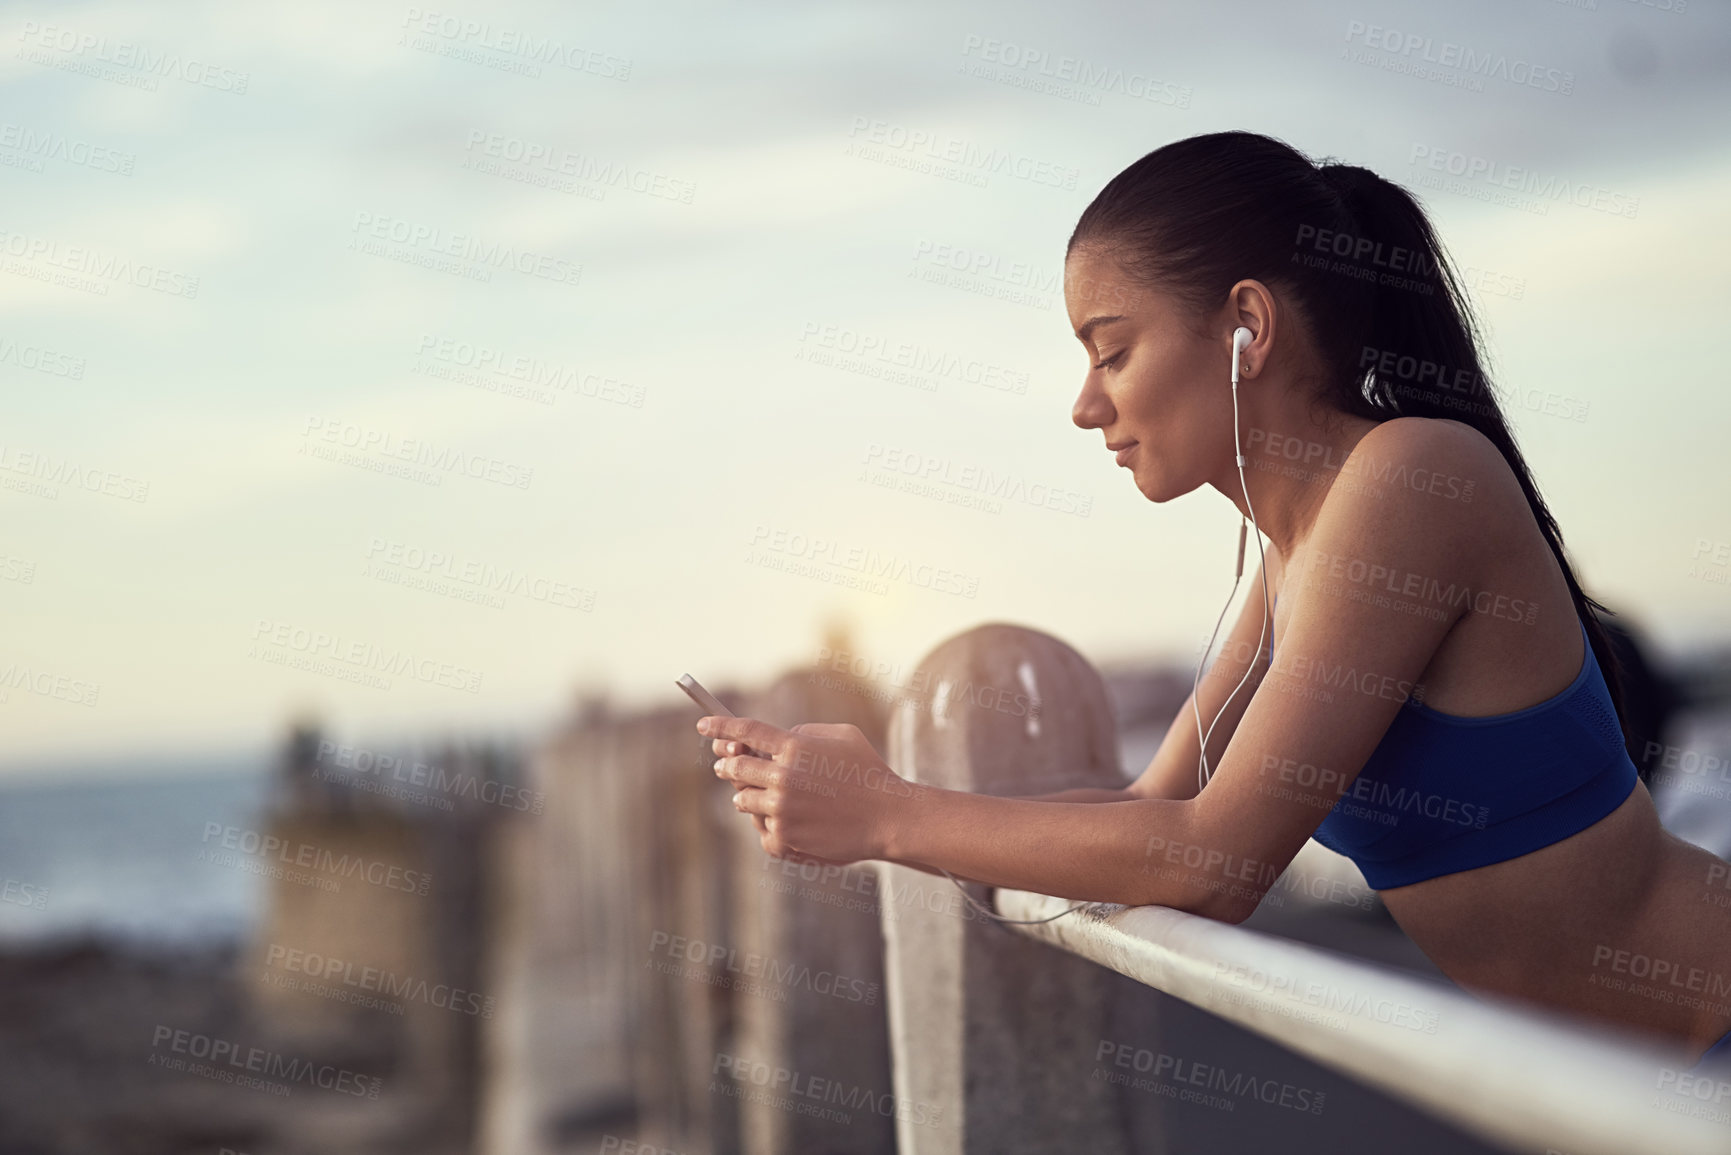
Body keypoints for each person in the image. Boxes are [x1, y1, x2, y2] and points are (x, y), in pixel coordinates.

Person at [698, 131, 1731, 1070]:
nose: (1085, 403)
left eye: (1112, 350)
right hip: (1655, 1077)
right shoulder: (1290, 551)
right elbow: (1153, 811)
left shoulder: (1412, 477)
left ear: (1246, 325)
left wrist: (887, 816)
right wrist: (860, 790)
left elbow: (1218, 862)